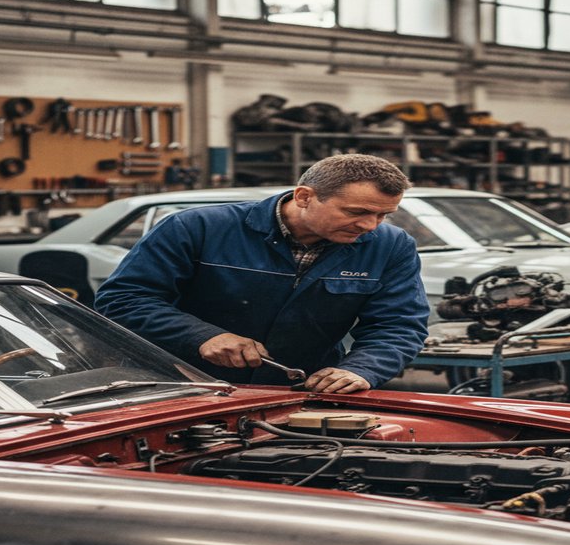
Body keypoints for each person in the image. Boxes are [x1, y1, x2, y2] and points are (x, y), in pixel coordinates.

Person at [95, 154, 429, 393]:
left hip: (299, 391)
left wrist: (361, 370)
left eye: (383, 215)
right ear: (304, 197)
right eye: (357, 212)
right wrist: (201, 336)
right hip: (180, 386)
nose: (370, 226)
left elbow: (398, 325)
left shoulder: (390, 246)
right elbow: (124, 300)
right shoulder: (198, 228)